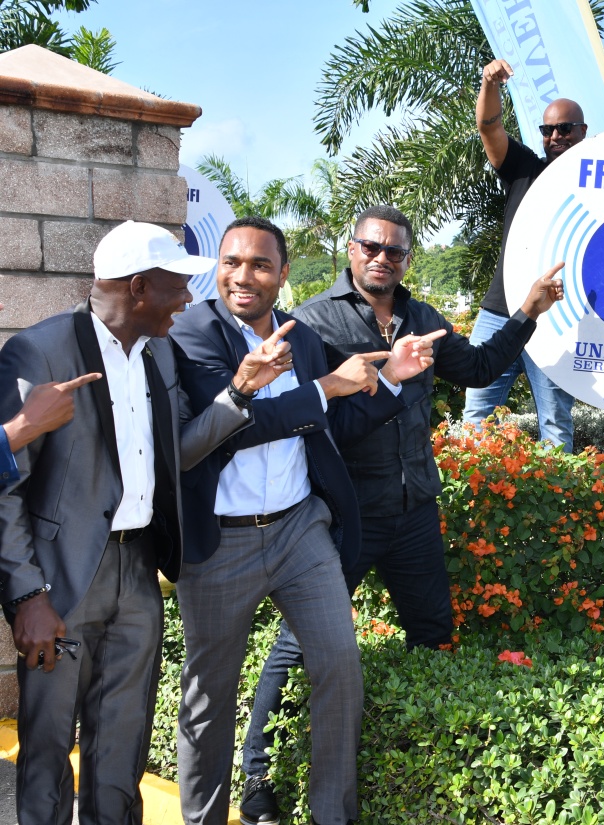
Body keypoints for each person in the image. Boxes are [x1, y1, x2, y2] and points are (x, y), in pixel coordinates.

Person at [236, 205, 565, 824]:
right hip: (344, 515)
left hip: (414, 507)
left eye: (396, 251)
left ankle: (418, 761)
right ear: (352, 249)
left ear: (407, 260)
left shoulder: (423, 317)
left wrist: (527, 312)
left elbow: (480, 369)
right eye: (372, 247)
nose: (383, 258)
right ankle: (257, 775)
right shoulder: (313, 324)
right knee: (299, 644)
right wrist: (370, 375)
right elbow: (306, 412)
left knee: (433, 635)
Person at [0, 220, 290, 825]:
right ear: (137, 287)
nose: (188, 299)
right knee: (49, 753)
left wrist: (239, 392)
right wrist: (27, 593)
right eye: (176, 286)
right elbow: (8, 489)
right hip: (62, 581)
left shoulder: (160, 352)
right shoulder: (39, 352)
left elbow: (175, 453)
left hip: (138, 576)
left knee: (122, 748)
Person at [169, 217, 444, 825]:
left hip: (300, 530)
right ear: (218, 266)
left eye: (261, 265)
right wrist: (322, 388)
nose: (244, 276)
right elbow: (232, 429)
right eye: (232, 262)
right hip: (222, 542)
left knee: (340, 669)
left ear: (283, 273)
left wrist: (391, 383)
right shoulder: (194, 332)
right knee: (209, 698)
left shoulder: (303, 337)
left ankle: (331, 815)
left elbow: (333, 428)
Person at [463, 57, 586, 450]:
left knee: (555, 424)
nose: (555, 136)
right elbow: (489, 127)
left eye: (564, 129)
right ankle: (473, 504)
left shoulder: (602, 186)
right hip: (500, 312)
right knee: (475, 421)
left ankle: (556, 509)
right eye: (547, 130)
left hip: (556, 320)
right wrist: (489, 83)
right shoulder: (524, 169)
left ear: (583, 131)